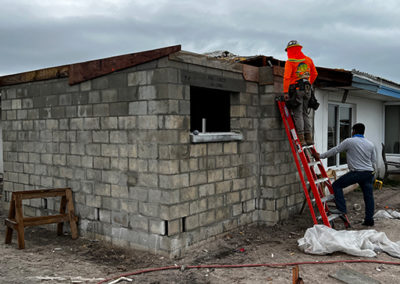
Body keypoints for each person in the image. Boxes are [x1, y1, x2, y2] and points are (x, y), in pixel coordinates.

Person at [313, 123, 377, 226]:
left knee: (336, 185)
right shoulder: (370, 144)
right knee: (368, 197)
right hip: (369, 173)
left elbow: (335, 150)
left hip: (357, 172)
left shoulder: (349, 141)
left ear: (354, 131)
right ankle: (369, 220)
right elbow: (373, 161)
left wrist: (321, 156)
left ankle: (341, 209)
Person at [283, 40, 318, 145]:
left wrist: (285, 92)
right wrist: (308, 83)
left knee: (298, 114)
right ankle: (309, 138)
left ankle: (302, 139)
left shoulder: (290, 62)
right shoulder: (308, 60)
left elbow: (286, 77)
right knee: (305, 114)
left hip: (297, 89)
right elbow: (315, 74)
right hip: (307, 90)